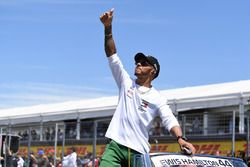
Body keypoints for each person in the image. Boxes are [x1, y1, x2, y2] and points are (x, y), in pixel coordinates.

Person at [99, 8, 196, 167]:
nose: (138, 64)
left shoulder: (157, 97)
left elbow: (169, 120)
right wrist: (108, 28)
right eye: (137, 62)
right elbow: (112, 54)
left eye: (144, 63)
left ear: (153, 71)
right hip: (115, 146)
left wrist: (180, 138)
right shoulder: (126, 82)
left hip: (139, 151)